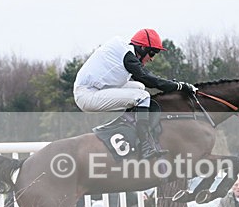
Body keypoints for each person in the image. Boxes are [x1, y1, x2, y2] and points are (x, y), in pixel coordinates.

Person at [73, 29, 197, 159]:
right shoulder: (128, 57)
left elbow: (147, 80)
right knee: (142, 96)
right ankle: (145, 145)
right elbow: (152, 81)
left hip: (96, 88)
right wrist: (180, 86)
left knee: (140, 88)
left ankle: (132, 124)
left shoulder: (126, 52)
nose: (152, 59)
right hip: (87, 95)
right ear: (142, 48)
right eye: (152, 53)